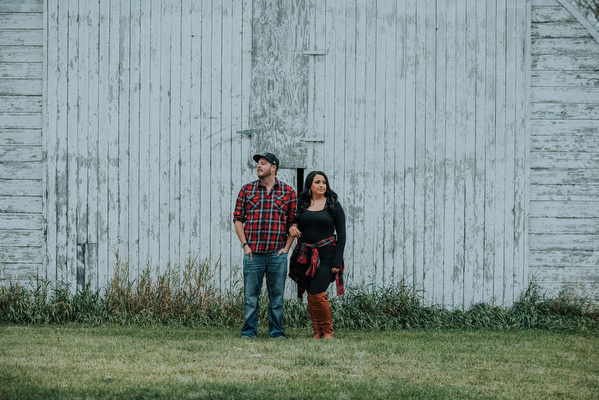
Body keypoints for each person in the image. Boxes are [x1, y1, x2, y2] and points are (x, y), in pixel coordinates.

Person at [233, 152, 297, 339]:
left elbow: (293, 222)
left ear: (274, 168)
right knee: (250, 298)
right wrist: (245, 245)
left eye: (263, 163)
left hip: (277, 254)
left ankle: (277, 332)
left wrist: (286, 248)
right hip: (253, 254)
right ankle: (248, 332)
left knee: (276, 298)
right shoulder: (247, 190)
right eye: (258, 163)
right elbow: (238, 220)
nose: (259, 166)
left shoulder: (288, 192)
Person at [288, 171, 346, 339]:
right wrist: (290, 227)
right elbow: (290, 221)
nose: (322, 185)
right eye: (317, 182)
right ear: (310, 186)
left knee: (318, 292)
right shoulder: (301, 204)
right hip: (304, 256)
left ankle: (328, 332)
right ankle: (317, 332)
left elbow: (342, 235)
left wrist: (337, 260)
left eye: (324, 182)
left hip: (327, 255)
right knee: (311, 294)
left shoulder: (333, 205)